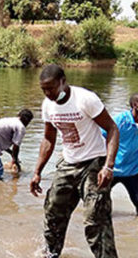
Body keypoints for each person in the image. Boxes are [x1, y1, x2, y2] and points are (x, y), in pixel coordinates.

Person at [30, 64, 119, 258]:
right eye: (43, 89)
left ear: (63, 82)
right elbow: (48, 138)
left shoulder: (85, 99)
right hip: (68, 163)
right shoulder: (47, 105)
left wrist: (108, 166)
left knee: (95, 220)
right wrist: (37, 171)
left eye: (51, 88)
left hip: (94, 162)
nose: (47, 93)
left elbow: (112, 128)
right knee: (53, 212)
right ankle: (51, 254)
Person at [102, 93, 138, 215]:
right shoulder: (121, 121)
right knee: (98, 202)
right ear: (135, 105)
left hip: (134, 171)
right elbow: (101, 135)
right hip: (113, 169)